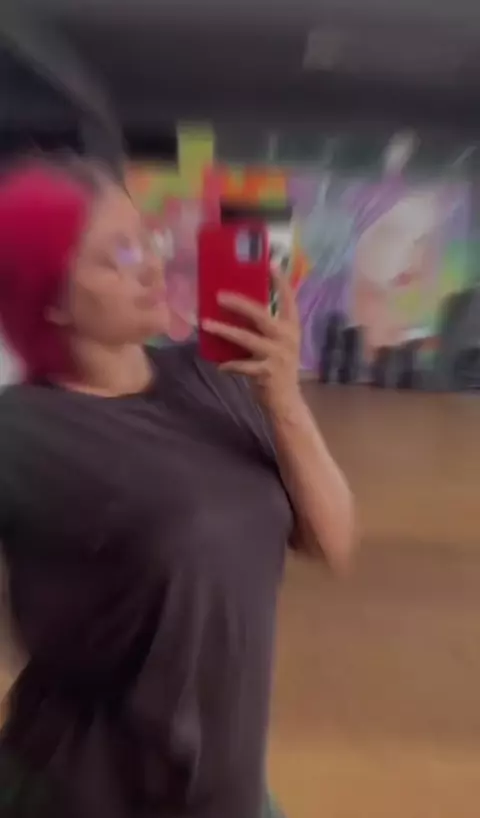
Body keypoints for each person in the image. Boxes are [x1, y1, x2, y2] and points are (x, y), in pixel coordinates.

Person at [0, 156, 354, 818]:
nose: (152, 266)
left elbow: (332, 542)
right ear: (51, 297)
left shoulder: (219, 380)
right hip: (88, 793)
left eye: (149, 241)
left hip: (227, 789)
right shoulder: (20, 431)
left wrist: (282, 397)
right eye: (118, 255)